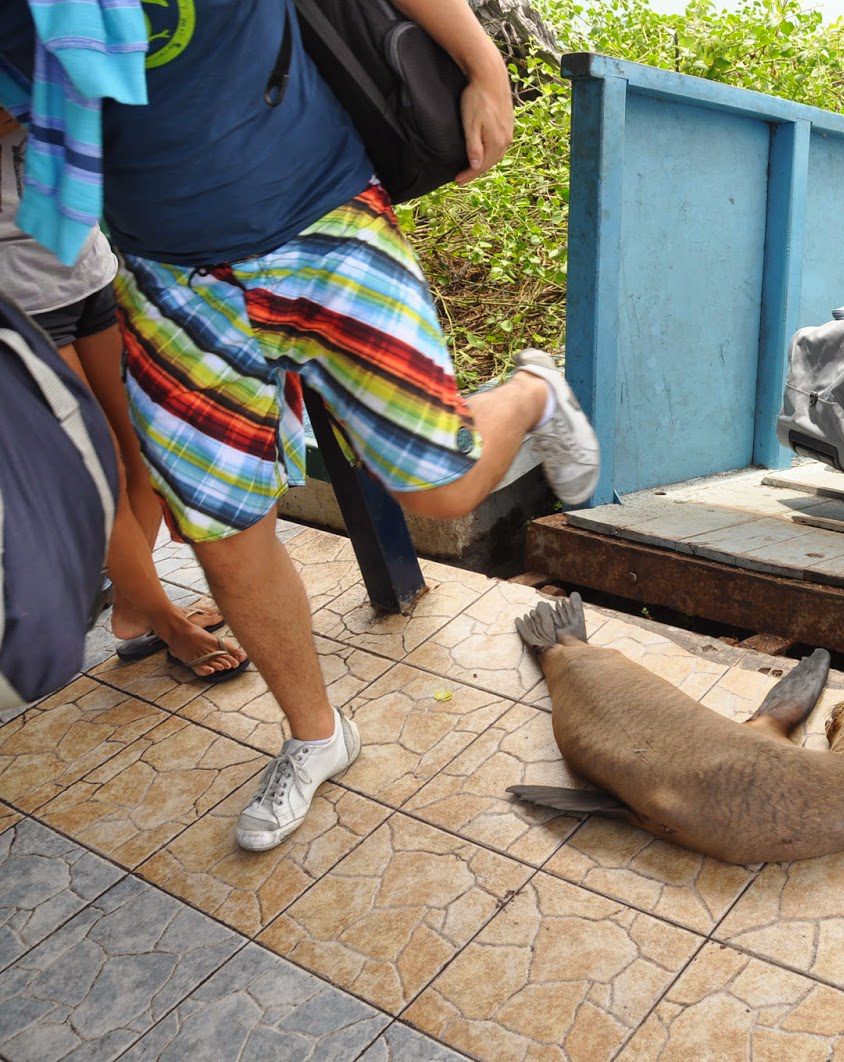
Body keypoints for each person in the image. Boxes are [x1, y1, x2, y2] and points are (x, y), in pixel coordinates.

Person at [2, 0, 600, 851]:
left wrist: (484, 66)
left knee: (444, 488)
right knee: (224, 532)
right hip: (167, 280)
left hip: (324, 221)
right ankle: (316, 735)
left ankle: (534, 393)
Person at [0, 108, 248, 682]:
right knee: (98, 473)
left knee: (144, 446)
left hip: (87, 266)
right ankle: (167, 621)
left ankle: (136, 607)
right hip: (17, 297)